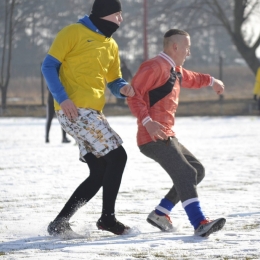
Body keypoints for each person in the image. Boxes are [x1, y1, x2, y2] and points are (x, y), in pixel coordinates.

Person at [41, 0, 135, 238]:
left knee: (100, 172)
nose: (121, 20)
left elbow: (114, 81)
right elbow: (48, 66)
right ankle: (107, 219)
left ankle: (59, 223)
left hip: (93, 113)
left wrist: (123, 89)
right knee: (118, 156)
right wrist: (62, 99)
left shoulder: (111, 45)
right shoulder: (73, 32)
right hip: (73, 111)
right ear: (104, 14)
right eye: (117, 14)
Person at [127, 29, 226, 237]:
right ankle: (199, 223)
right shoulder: (153, 67)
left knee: (197, 170)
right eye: (187, 47)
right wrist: (147, 122)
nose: (188, 52)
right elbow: (133, 96)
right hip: (152, 137)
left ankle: (160, 213)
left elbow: (193, 78)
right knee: (186, 173)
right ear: (175, 47)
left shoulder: (175, 69)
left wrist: (212, 81)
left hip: (167, 134)